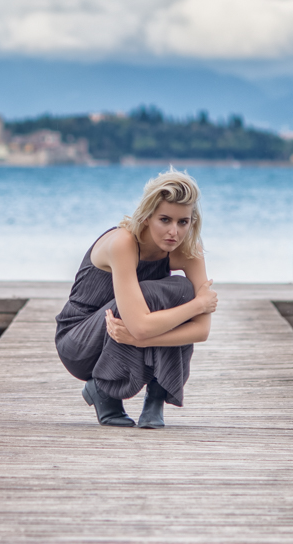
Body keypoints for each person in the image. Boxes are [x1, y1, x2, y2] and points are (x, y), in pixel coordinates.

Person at [55, 169, 217, 428]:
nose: (174, 232)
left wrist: (140, 339)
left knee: (182, 290)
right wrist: (199, 304)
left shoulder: (189, 249)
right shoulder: (123, 242)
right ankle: (103, 392)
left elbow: (201, 330)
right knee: (174, 296)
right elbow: (140, 325)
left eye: (183, 222)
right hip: (79, 342)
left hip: (125, 333)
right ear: (147, 216)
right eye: (165, 219)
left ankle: (156, 398)